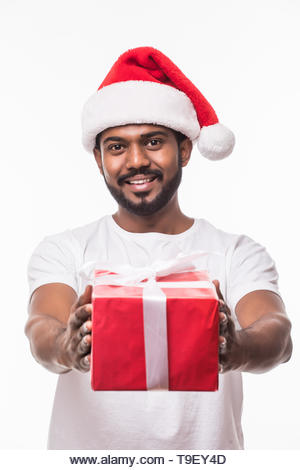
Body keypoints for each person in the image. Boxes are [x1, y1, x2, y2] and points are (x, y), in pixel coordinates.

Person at [25, 47, 292, 450]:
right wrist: (65, 345)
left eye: (153, 142)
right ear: (98, 159)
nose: (136, 161)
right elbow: (40, 329)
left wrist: (236, 348)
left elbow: (278, 336)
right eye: (116, 147)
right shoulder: (65, 250)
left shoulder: (236, 252)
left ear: (184, 149)